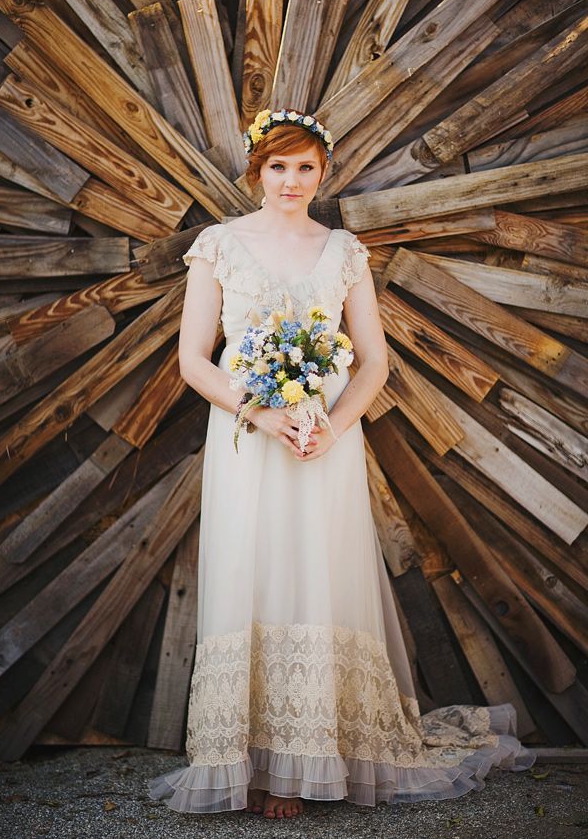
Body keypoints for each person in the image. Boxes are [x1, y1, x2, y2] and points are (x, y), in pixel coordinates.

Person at [146, 108, 535, 819]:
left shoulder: (343, 251)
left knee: (316, 570)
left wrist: (332, 427)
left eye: (305, 168)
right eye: (277, 166)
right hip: (248, 438)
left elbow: (374, 361)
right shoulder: (218, 247)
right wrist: (258, 413)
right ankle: (248, 761)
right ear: (256, 172)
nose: (291, 181)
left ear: (324, 173)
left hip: (324, 438)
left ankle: (306, 761)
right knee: (250, 569)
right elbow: (194, 359)